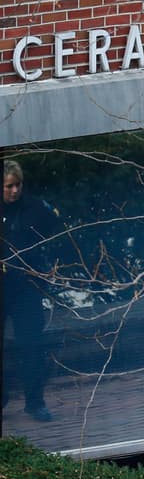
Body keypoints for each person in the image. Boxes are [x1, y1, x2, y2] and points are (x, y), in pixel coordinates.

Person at [2, 161, 63, 422]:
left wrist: (47, 267)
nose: (14, 191)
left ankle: (35, 402)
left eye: (18, 185)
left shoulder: (36, 207)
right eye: (8, 186)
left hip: (26, 285)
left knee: (31, 347)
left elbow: (55, 233)